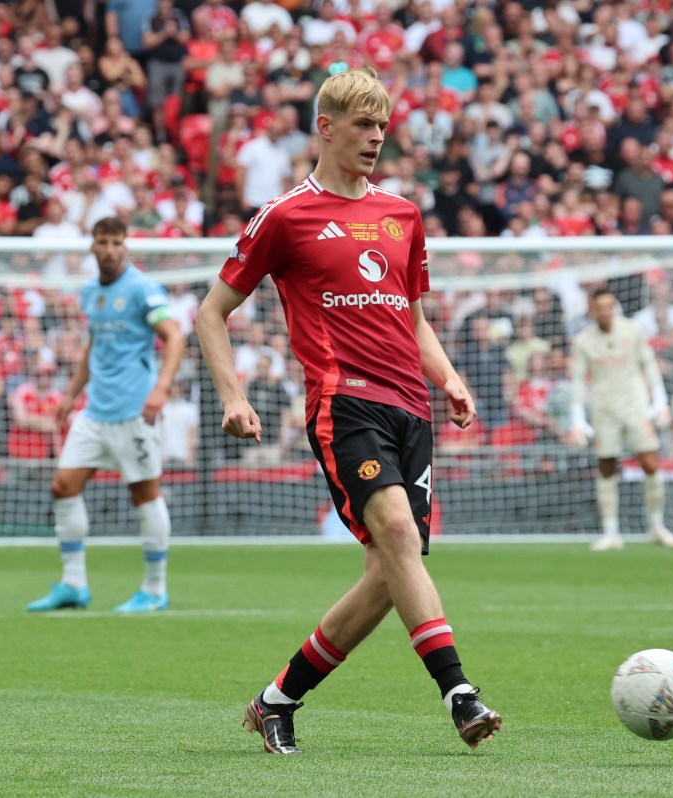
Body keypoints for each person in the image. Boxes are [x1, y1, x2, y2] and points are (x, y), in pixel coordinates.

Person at [195, 68, 502, 755]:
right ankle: (459, 695)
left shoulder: (403, 214)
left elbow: (413, 317)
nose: (375, 139)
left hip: (411, 410)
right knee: (397, 534)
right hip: (343, 403)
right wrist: (233, 395)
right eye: (363, 126)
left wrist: (448, 376)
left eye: (383, 128)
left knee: (390, 576)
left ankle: (277, 700)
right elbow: (211, 314)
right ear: (326, 128)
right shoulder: (285, 216)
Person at [27, 217, 186, 613]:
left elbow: (175, 336)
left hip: (135, 412)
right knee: (63, 486)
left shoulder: (141, 289)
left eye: (117, 242)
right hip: (94, 411)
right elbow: (94, 346)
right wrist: (69, 395)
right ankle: (74, 585)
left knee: (144, 496)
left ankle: (154, 589)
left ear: (125, 246)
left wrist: (161, 390)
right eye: (103, 242)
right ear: (92, 247)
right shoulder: (89, 292)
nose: (110, 249)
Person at [569, 287, 673, 551]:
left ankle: (657, 526)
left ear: (615, 306)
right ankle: (610, 532)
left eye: (610, 305)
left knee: (650, 462)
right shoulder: (584, 341)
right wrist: (577, 417)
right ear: (593, 310)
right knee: (607, 465)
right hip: (604, 408)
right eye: (600, 307)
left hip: (635, 405)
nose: (605, 311)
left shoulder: (633, 331)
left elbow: (649, 365)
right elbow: (577, 380)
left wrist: (660, 401)